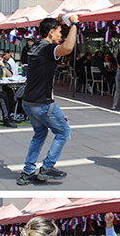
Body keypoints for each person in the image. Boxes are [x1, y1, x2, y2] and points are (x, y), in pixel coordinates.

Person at [19, 15, 79, 186]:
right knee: (63, 132)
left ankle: (28, 171)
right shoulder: (48, 48)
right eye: (60, 32)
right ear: (51, 33)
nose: (61, 35)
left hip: (28, 102)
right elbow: (67, 48)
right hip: (42, 103)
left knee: (39, 134)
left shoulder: (35, 46)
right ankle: (47, 167)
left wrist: (58, 19)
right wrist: (74, 24)